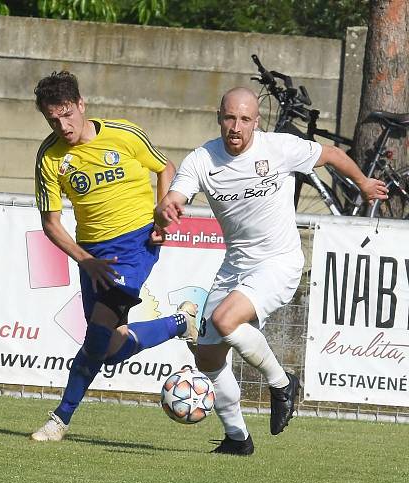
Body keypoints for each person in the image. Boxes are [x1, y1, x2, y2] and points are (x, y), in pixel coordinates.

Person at [154, 87, 389, 456]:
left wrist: (362, 182)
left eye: (245, 119)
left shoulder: (277, 147)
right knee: (208, 358)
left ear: (256, 122)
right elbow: (176, 196)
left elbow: (329, 155)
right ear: (219, 117)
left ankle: (282, 384)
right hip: (235, 267)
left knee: (225, 320)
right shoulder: (202, 159)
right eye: (230, 118)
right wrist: (166, 208)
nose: (236, 127)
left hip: (280, 261)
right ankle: (237, 438)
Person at [30, 71, 198, 442]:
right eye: (52, 119)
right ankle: (177, 324)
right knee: (107, 346)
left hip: (136, 245)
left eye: (67, 114)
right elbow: (51, 223)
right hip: (92, 255)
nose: (62, 125)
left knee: (96, 337)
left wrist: (162, 211)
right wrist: (84, 259)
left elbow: (165, 167)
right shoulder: (50, 157)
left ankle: (60, 419)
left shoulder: (124, 134)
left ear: (81, 104)